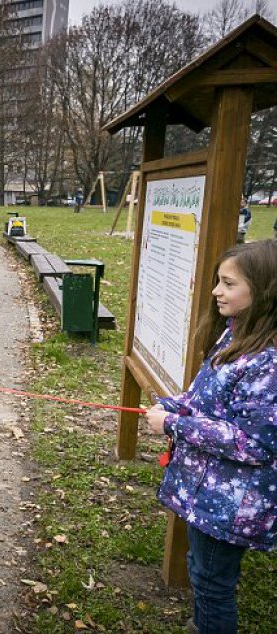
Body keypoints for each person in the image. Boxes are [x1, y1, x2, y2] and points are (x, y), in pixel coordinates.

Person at [144, 240, 276, 634]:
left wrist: (175, 425)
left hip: (233, 502)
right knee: (202, 572)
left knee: (213, 584)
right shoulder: (234, 335)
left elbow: (254, 443)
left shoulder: (267, 362)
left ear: (264, 290)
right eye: (218, 281)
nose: (217, 291)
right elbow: (209, 399)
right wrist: (176, 405)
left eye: (228, 284)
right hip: (211, 490)